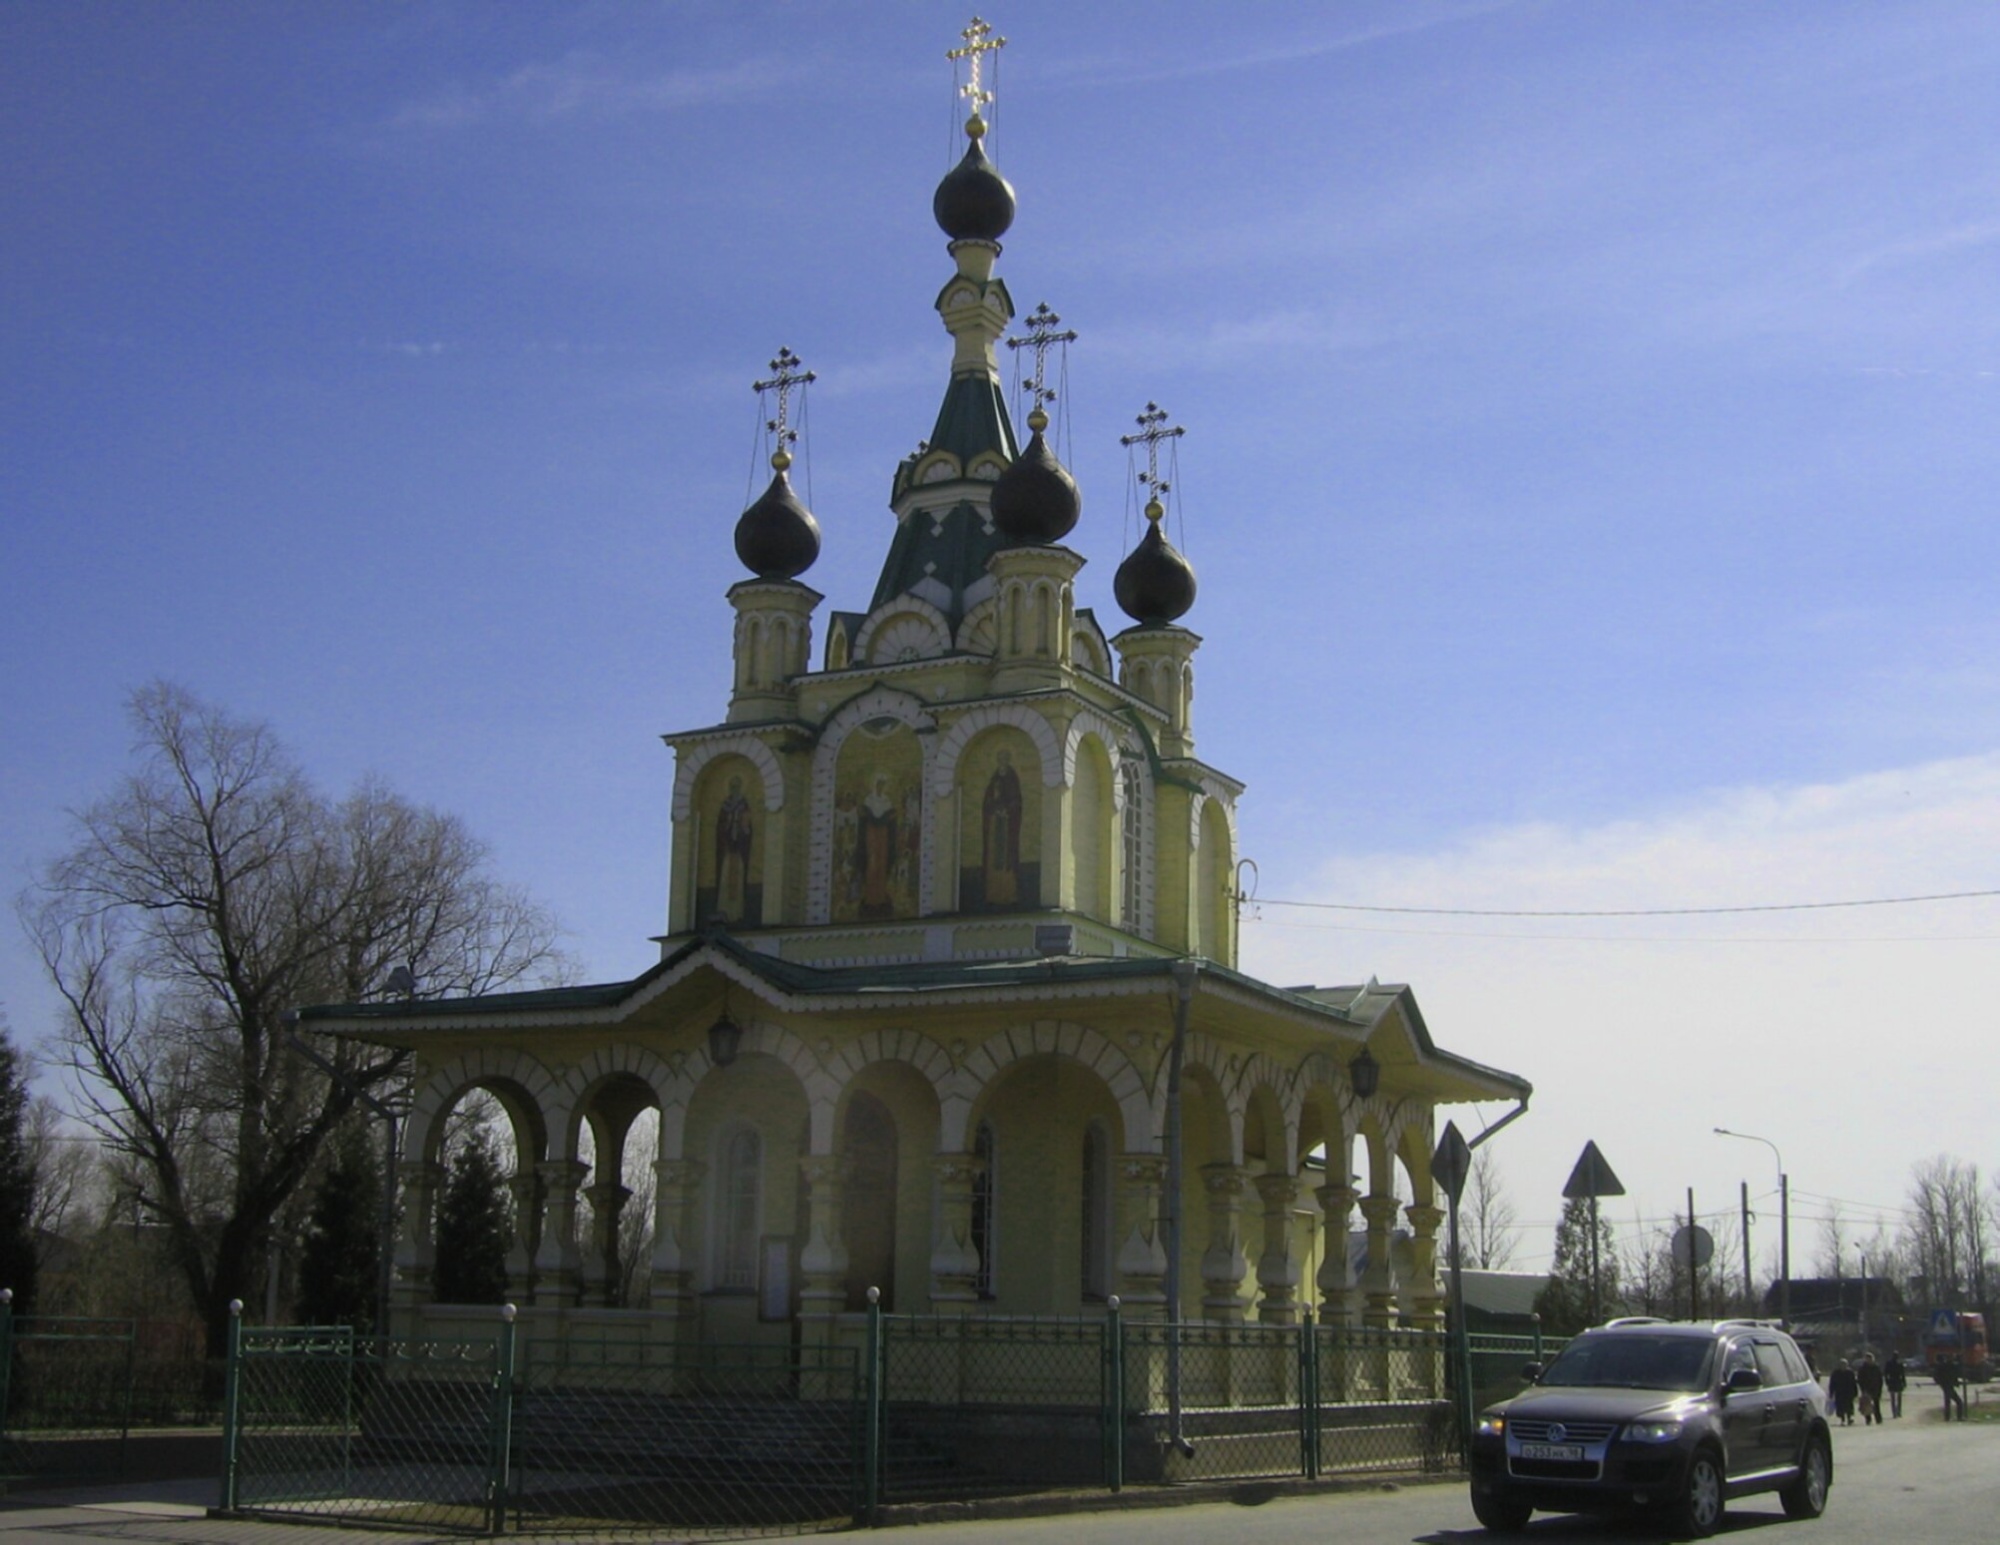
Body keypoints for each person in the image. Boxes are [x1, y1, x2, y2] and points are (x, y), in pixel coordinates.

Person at [1936, 1352, 1968, 1421]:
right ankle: (1956, 1417)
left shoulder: (1945, 1366)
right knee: (1957, 1401)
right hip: (1948, 1385)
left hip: (1946, 1385)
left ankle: (1948, 1417)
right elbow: (1954, 1374)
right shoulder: (1949, 1366)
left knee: (1949, 1401)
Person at [1856, 1351, 1884, 1424]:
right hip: (1866, 1389)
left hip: (1875, 1389)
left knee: (1876, 1404)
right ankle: (1868, 1419)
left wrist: (1880, 1388)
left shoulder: (1876, 1368)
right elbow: (1860, 1379)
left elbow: (1880, 1379)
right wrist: (1862, 1388)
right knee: (1867, 1405)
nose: (1869, 1360)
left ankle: (1878, 1419)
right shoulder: (1862, 1369)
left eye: (1870, 1358)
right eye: (1867, 1359)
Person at [1828, 1358, 1859, 1426]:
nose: (1843, 1366)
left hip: (1848, 1392)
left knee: (1849, 1406)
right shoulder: (1836, 1373)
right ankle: (1842, 1419)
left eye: (1845, 1364)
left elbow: (1854, 1383)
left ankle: (1849, 1418)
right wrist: (1831, 1392)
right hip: (1839, 1392)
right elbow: (1832, 1383)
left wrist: (1855, 1392)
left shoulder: (1850, 1373)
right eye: (1842, 1364)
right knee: (1840, 1407)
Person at [1884, 1350, 1907, 1418]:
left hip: (1892, 1381)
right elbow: (1902, 1374)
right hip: (1898, 1381)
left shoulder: (1889, 1363)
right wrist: (1904, 1382)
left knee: (1893, 1398)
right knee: (1898, 1398)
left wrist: (1887, 1381)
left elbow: (1886, 1373)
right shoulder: (1899, 1364)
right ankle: (1898, 1411)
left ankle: (1894, 1412)